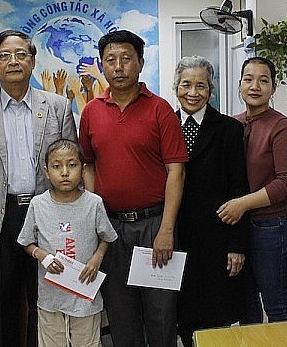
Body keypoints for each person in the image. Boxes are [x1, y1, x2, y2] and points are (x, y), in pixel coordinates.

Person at [0, 29, 76, 347]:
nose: (13, 61)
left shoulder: (59, 107)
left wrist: (70, 229)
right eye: (4, 56)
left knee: (46, 302)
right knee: (1, 305)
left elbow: (72, 173)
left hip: (46, 218)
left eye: (21, 54)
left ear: (32, 61)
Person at [79, 30, 188, 347]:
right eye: (110, 60)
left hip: (154, 225)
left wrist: (166, 228)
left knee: (161, 314)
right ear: (102, 66)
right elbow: (87, 165)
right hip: (110, 228)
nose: (118, 67)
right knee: (120, 313)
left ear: (140, 63)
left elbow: (176, 172)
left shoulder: (160, 109)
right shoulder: (92, 111)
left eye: (126, 59)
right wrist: (95, 219)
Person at [172, 56, 249, 346]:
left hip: (217, 239)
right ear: (176, 87)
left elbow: (239, 189)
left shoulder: (229, 129)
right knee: (181, 314)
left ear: (211, 89)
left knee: (216, 318)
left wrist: (236, 245)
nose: (193, 93)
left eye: (201, 86)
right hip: (176, 236)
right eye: (186, 85)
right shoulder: (164, 124)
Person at [218, 56, 287, 322]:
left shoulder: (280, 125)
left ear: (274, 87)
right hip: (237, 228)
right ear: (239, 84)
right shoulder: (232, 124)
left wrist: (243, 204)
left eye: (263, 80)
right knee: (246, 303)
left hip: (270, 226)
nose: (255, 86)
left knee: (275, 304)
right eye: (248, 79)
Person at [18, 139, 118, 347]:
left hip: (84, 297)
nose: (65, 172)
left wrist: (97, 257)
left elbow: (107, 237)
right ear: (46, 172)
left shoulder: (93, 203)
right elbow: (26, 242)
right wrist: (42, 255)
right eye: (57, 166)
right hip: (50, 299)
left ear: (83, 169)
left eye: (72, 165)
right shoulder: (38, 204)